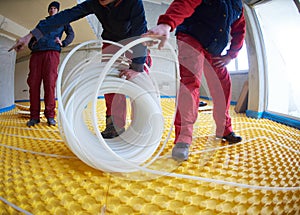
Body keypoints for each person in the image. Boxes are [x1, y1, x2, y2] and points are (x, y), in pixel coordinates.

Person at [9, 0, 150, 136]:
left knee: (139, 83)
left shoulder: (133, 2)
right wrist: (31, 35)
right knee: (111, 80)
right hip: (111, 41)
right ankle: (115, 125)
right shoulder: (95, 3)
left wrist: (137, 67)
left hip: (135, 39)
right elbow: (66, 15)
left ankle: (141, 125)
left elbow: (139, 30)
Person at [143, 0, 246, 161]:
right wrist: (167, 24)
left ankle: (224, 129)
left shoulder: (238, 4)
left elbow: (240, 30)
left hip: (215, 48)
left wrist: (231, 55)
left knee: (223, 85)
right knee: (190, 84)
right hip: (192, 37)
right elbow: (185, 2)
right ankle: (183, 140)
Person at [10, 1, 75, 127]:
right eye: (50, 8)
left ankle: (50, 116)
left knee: (50, 84)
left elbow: (71, 34)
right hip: (36, 54)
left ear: (58, 10)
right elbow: (33, 36)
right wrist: (31, 45)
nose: (52, 10)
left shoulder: (62, 21)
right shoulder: (42, 23)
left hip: (52, 52)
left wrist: (64, 43)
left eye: (54, 8)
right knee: (33, 84)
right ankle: (34, 117)